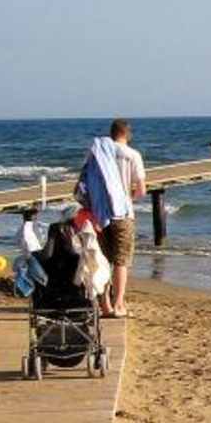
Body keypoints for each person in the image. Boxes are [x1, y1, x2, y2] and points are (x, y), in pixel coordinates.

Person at [78, 119, 145, 317]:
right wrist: (127, 197)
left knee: (104, 260)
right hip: (123, 214)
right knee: (121, 261)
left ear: (111, 133)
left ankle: (105, 305)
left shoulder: (97, 153)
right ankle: (119, 304)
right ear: (128, 134)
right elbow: (141, 190)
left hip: (100, 214)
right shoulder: (132, 155)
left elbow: (85, 182)